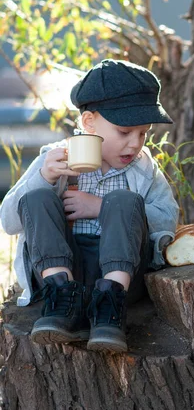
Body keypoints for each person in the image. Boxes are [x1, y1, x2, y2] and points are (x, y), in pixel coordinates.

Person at [0, 59, 179, 353]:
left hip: (121, 276)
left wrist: (101, 207)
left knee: (123, 200)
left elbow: (166, 221)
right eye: (125, 132)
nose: (135, 144)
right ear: (89, 122)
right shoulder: (55, 159)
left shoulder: (144, 170)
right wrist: (45, 177)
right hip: (63, 269)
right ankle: (61, 298)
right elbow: (9, 221)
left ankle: (109, 306)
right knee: (36, 197)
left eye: (143, 133)